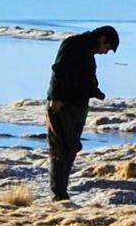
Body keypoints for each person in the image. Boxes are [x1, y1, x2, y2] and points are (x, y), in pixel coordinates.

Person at [46, 25, 120, 201]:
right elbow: (59, 70)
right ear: (102, 39)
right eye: (108, 48)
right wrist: (55, 98)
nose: (106, 52)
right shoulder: (72, 44)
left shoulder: (88, 54)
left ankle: (61, 191)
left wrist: (95, 91)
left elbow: (85, 78)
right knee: (61, 147)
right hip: (63, 105)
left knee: (71, 147)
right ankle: (58, 193)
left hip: (79, 105)